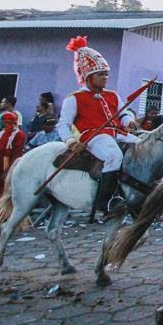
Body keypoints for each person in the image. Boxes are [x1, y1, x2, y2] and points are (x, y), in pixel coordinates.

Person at [57, 36, 139, 217]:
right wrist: (71, 141)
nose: (105, 78)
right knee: (113, 155)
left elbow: (123, 114)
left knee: (144, 145)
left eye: (106, 74)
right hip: (94, 137)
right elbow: (63, 125)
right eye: (101, 74)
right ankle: (105, 202)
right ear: (88, 77)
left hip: (118, 133)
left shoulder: (113, 95)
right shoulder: (74, 98)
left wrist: (129, 121)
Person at [0, 112, 26, 227]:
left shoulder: (19, 134)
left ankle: (5, 218)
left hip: (8, 164)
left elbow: (17, 153)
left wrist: (10, 170)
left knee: (5, 191)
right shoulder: (1, 133)